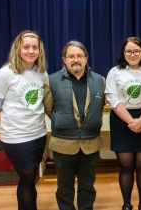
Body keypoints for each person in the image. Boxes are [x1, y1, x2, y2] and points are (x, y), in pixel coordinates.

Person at [43, 40, 105, 210]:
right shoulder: (51, 81)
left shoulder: (100, 80)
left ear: (86, 58)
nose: (75, 59)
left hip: (90, 144)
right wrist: (64, 121)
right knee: (64, 187)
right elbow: (49, 109)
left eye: (79, 56)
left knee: (87, 186)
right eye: (71, 56)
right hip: (63, 144)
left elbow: (99, 107)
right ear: (64, 59)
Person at [0, 30, 47, 210]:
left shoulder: (42, 74)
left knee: (29, 179)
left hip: (38, 135)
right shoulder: (4, 74)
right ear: (18, 49)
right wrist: (8, 125)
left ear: (40, 51)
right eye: (26, 47)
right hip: (16, 138)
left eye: (34, 47)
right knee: (27, 176)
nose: (30, 51)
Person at [105, 37, 141, 210]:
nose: (132, 55)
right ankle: (126, 204)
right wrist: (132, 121)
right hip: (121, 120)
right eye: (129, 51)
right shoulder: (115, 72)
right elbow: (113, 99)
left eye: (136, 51)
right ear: (123, 53)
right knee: (126, 166)